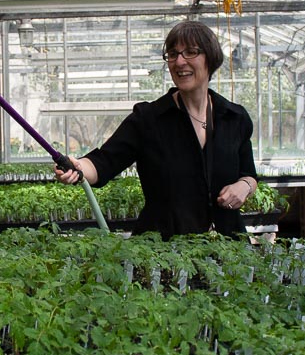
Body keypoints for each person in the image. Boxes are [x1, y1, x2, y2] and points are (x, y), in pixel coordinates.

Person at [55, 20, 258, 239]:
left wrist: (244, 187)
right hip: (164, 252)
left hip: (228, 248)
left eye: (190, 52)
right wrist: (79, 167)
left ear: (211, 58)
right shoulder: (148, 120)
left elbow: (249, 175)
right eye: (173, 54)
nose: (179, 61)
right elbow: (104, 162)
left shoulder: (235, 118)